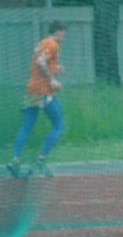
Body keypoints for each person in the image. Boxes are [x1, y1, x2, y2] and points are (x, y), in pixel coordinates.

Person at [8, 22, 67, 179]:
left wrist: (56, 70)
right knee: (59, 125)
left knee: (26, 126)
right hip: (44, 92)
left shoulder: (41, 43)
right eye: (64, 33)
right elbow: (41, 62)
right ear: (58, 31)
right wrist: (52, 81)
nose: (64, 36)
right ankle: (40, 160)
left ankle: (15, 160)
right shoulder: (52, 44)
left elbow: (36, 65)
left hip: (31, 90)